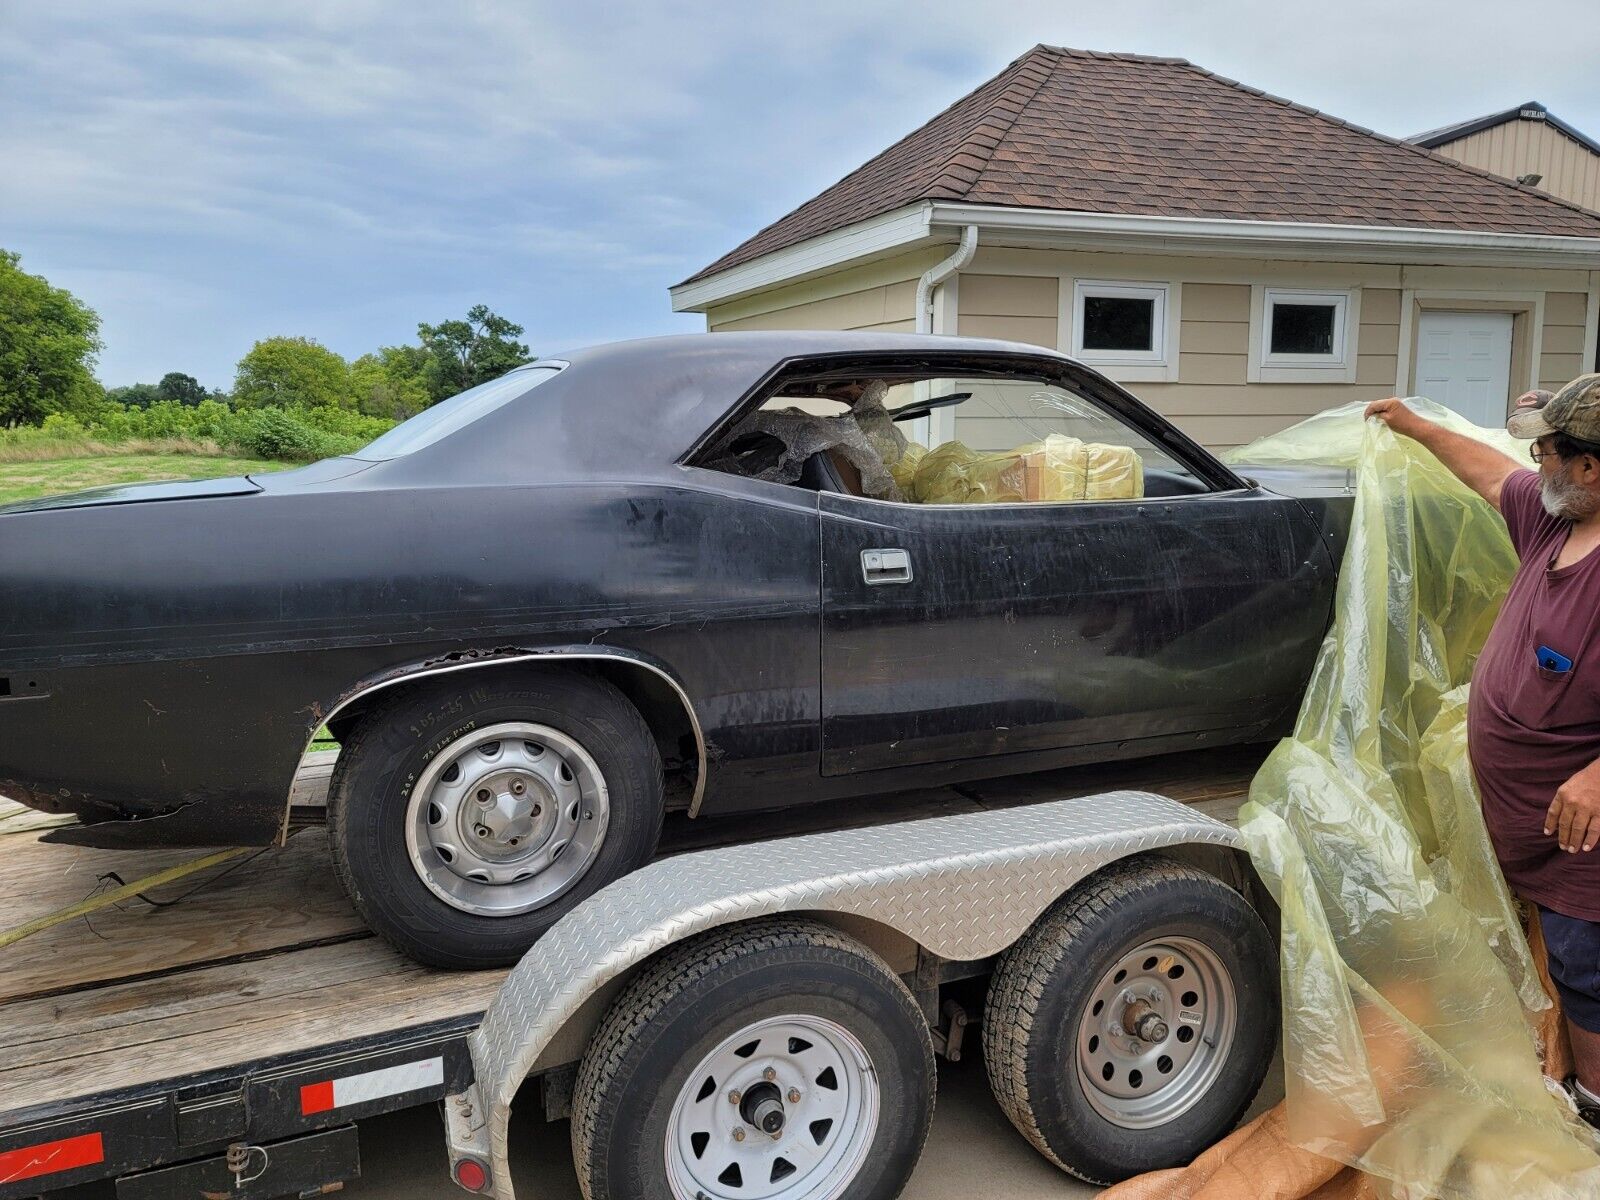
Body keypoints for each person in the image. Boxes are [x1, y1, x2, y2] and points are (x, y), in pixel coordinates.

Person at [1365, 374, 1600, 1124]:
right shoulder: (1554, 519)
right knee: (1555, 961)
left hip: (1581, 838)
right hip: (1525, 823)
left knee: (1586, 967)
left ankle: (1593, 1107)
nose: (1533, 461)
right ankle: (1562, 1072)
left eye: (1548, 450)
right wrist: (1410, 424)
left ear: (1590, 466)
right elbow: (1489, 472)